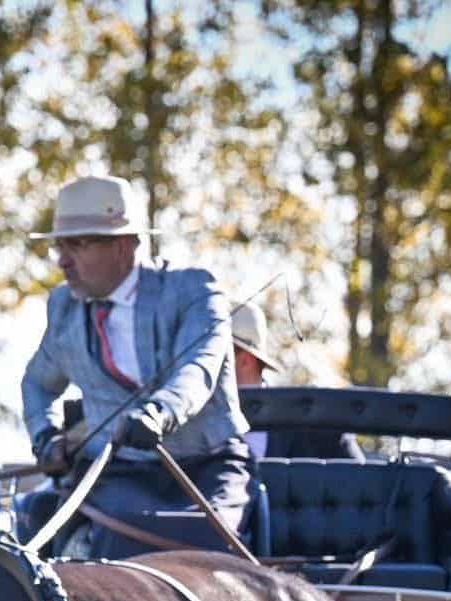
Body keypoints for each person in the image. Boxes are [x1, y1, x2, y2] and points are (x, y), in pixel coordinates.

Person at [19, 174, 252, 559]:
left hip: (207, 467)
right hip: (119, 472)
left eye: (79, 244)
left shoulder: (195, 291)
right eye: (60, 246)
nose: (63, 260)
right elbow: (38, 383)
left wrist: (160, 413)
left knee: (205, 555)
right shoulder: (63, 308)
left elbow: (198, 370)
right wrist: (45, 436)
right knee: (106, 545)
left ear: (124, 245)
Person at [230, 300, 364, 462]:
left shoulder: (317, 427)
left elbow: (362, 476)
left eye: (213, 354)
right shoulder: (202, 425)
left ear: (245, 360)